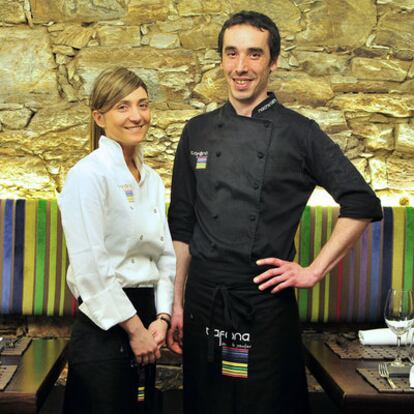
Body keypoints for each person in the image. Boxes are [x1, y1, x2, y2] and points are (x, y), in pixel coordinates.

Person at [167, 10, 382, 414]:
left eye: (253, 54)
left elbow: (361, 202)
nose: (241, 67)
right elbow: (182, 223)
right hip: (203, 301)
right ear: (221, 60)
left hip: (263, 304)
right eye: (231, 54)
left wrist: (312, 271)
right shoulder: (196, 130)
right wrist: (176, 302)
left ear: (273, 61)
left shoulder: (299, 132)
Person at [58, 67, 175, 414]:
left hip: (147, 318)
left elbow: (165, 256)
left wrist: (163, 318)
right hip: (104, 323)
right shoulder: (87, 175)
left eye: (143, 105)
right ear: (99, 116)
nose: (137, 116)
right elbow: (91, 268)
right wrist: (136, 329)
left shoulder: (151, 178)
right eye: (123, 107)